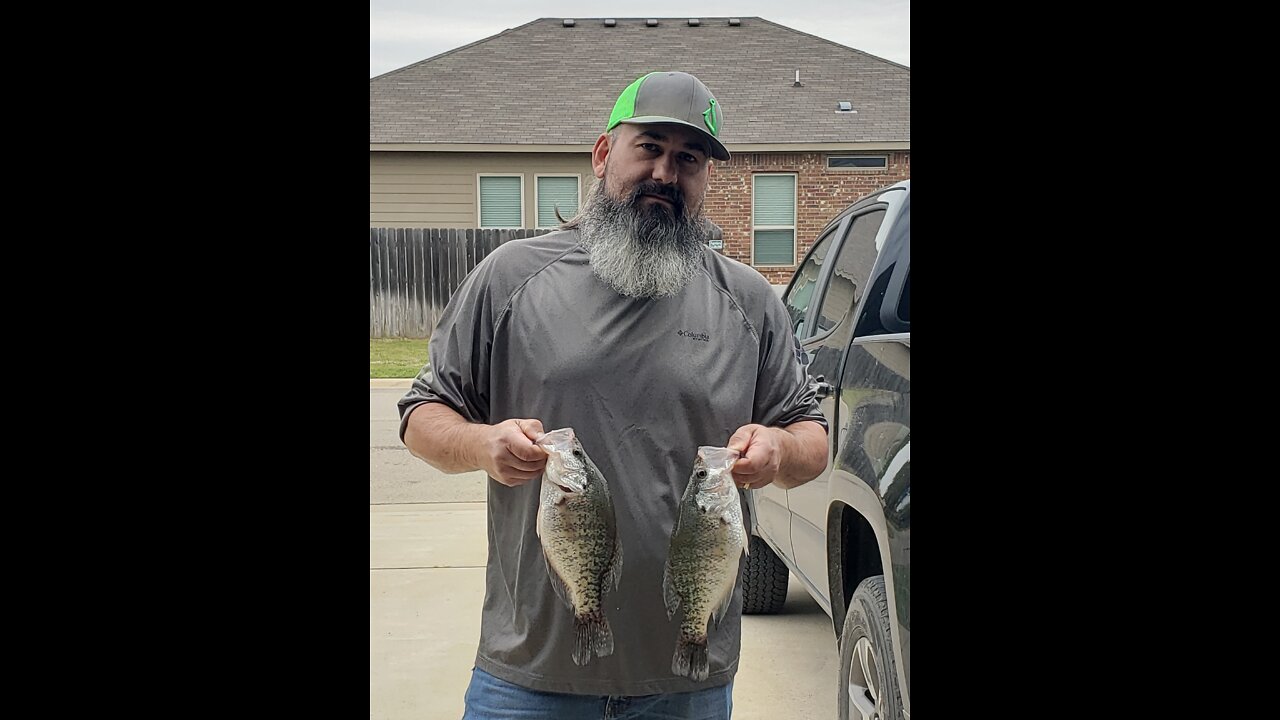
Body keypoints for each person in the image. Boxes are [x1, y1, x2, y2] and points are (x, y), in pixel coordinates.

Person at [398, 70, 829, 720]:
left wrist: (778, 450)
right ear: (604, 155)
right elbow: (421, 415)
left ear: (707, 179)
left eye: (688, 159)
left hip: (689, 680)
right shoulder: (510, 278)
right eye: (649, 147)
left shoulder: (749, 303)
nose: (666, 172)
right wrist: (483, 444)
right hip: (530, 676)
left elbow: (812, 439)